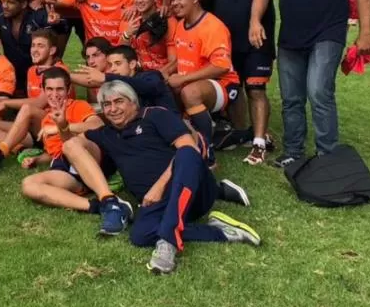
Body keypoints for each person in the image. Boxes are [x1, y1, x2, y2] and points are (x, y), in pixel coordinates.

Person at [60, 80, 260, 272]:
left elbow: (189, 148)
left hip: (191, 189)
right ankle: (221, 231)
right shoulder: (106, 133)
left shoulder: (154, 116)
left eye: (119, 101)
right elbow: (71, 144)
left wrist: (159, 186)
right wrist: (62, 126)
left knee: (187, 153)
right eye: (107, 104)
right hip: (157, 204)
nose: (113, 109)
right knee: (139, 236)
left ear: (133, 102)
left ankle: (168, 243)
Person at [249, 0, 370, 167]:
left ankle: (327, 154)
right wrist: (254, 21)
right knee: (291, 98)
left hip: (327, 35)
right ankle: (293, 152)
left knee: (318, 92)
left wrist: (365, 34)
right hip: (291, 38)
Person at [201, 0, 275, 165]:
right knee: (234, 91)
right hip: (224, 44)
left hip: (257, 40)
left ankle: (259, 143)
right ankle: (243, 133)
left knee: (255, 89)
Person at [164, 0, 240, 160]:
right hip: (193, 81)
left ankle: (207, 150)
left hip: (225, 85)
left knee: (190, 92)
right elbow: (182, 58)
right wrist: (164, 71)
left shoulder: (212, 26)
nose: (174, 3)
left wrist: (182, 79)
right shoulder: (181, 24)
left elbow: (221, 66)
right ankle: (183, 138)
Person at [0, 30, 73, 167]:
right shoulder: (32, 70)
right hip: (37, 129)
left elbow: (39, 103)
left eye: (40, 46)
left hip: (58, 128)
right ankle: (22, 150)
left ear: (52, 50)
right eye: (33, 45)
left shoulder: (59, 71)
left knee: (28, 109)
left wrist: (6, 103)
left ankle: (0, 153)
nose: (34, 50)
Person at [15, 68, 103, 192]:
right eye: (50, 89)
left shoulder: (78, 106)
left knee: (71, 146)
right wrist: (37, 159)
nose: (54, 94)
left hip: (85, 159)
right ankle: (81, 188)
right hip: (61, 166)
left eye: (59, 89)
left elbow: (97, 124)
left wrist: (59, 128)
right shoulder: (47, 119)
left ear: (68, 90)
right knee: (30, 184)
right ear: (44, 91)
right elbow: (55, 154)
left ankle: (87, 185)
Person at [0, 0, 53, 92]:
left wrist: (55, 23)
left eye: (10, 2)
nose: (4, 6)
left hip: (37, 78)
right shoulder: (0, 18)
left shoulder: (37, 19)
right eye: (3, 1)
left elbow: (61, 27)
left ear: (24, 4)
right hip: (12, 78)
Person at [118, 0, 177, 74]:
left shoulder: (168, 20)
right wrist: (127, 35)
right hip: (137, 74)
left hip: (161, 75)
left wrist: (154, 79)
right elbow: (121, 55)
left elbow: (174, 62)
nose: (139, 0)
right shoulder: (129, 17)